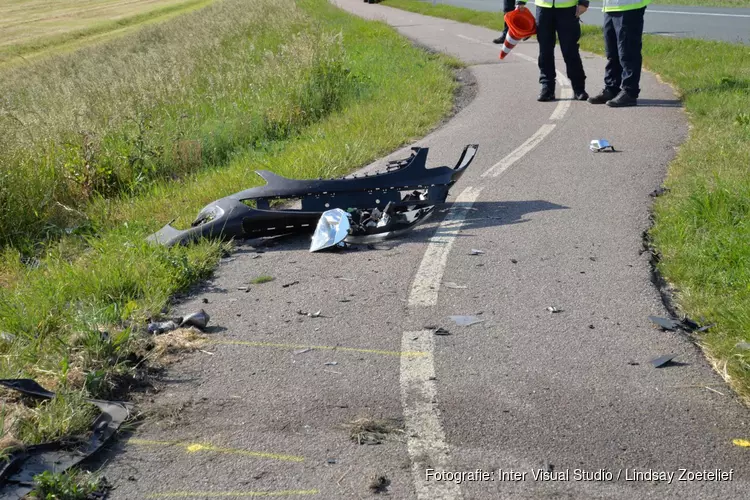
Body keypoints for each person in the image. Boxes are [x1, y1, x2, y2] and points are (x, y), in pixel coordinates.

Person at [516, 0, 590, 102]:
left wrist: (583, 3)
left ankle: (579, 88)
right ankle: (547, 88)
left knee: (570, 50)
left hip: (568, 9)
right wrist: (520, 2)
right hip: (543, 8)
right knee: (545, 50)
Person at [588, 0, 650, 107]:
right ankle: (612, 89)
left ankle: (630, 92)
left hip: (629, 6)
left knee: (628, 52)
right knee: (612, 53)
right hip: (610, 7)